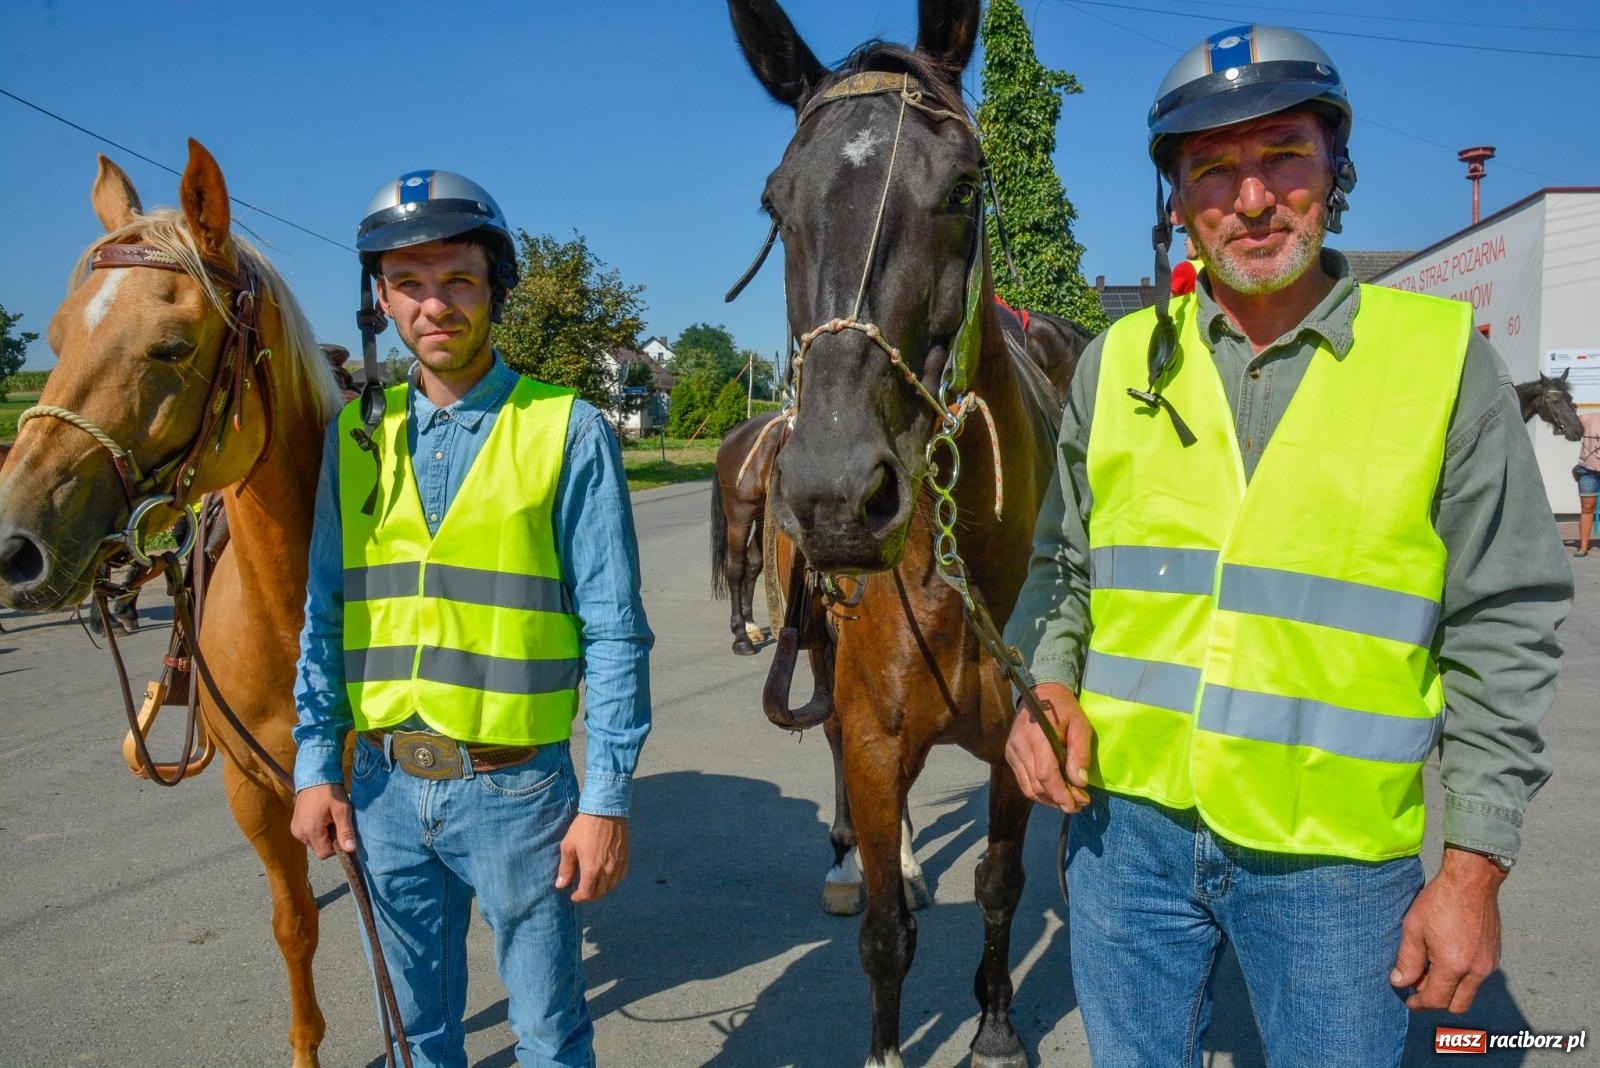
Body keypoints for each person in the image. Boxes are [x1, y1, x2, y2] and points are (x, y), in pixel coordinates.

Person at [1002, 25, 1572, 1067]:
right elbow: (1062, 568)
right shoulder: (1117, 361)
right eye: (1213, 170)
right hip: (1123, 842)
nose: (1251, 199)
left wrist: (1473, 867)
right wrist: (1044, 688)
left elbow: (1505, 621)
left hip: (1332, 871)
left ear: (1335, 169)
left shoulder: (1440, 364)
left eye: (1283, 159)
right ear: (1174, 202)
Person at [289, 170, 653, 1068]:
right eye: (409, 284)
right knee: (416, 1039)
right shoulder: (354, 437)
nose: (434, 304)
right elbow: (324, 614)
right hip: (379, 790)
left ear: (495, 287)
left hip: (517, 795)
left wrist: (603, 799)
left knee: (546, 1036)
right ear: (381, 299)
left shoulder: (566, 430)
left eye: (457, 279)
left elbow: (614, 632)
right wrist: (313, 764)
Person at [1574, 410, 1600, 556]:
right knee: (1587, 508)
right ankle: (1583, 547)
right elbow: (1571, 425)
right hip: (1588, 471)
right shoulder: (1588, 418)